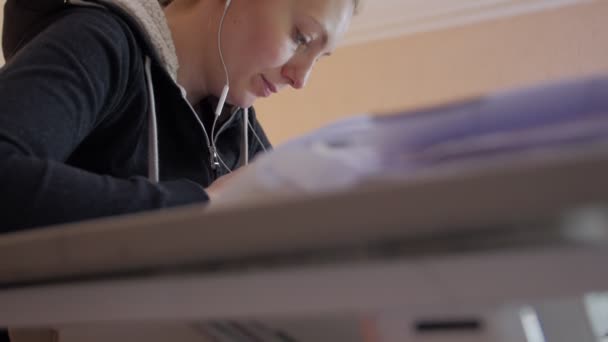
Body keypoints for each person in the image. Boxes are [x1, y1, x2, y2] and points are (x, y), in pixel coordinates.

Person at [0, 0, 358, 233]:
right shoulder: (101, 43)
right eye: (301, 38)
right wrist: (201, 207)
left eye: (319, 58)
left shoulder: (240, 134)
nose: (301, 78)